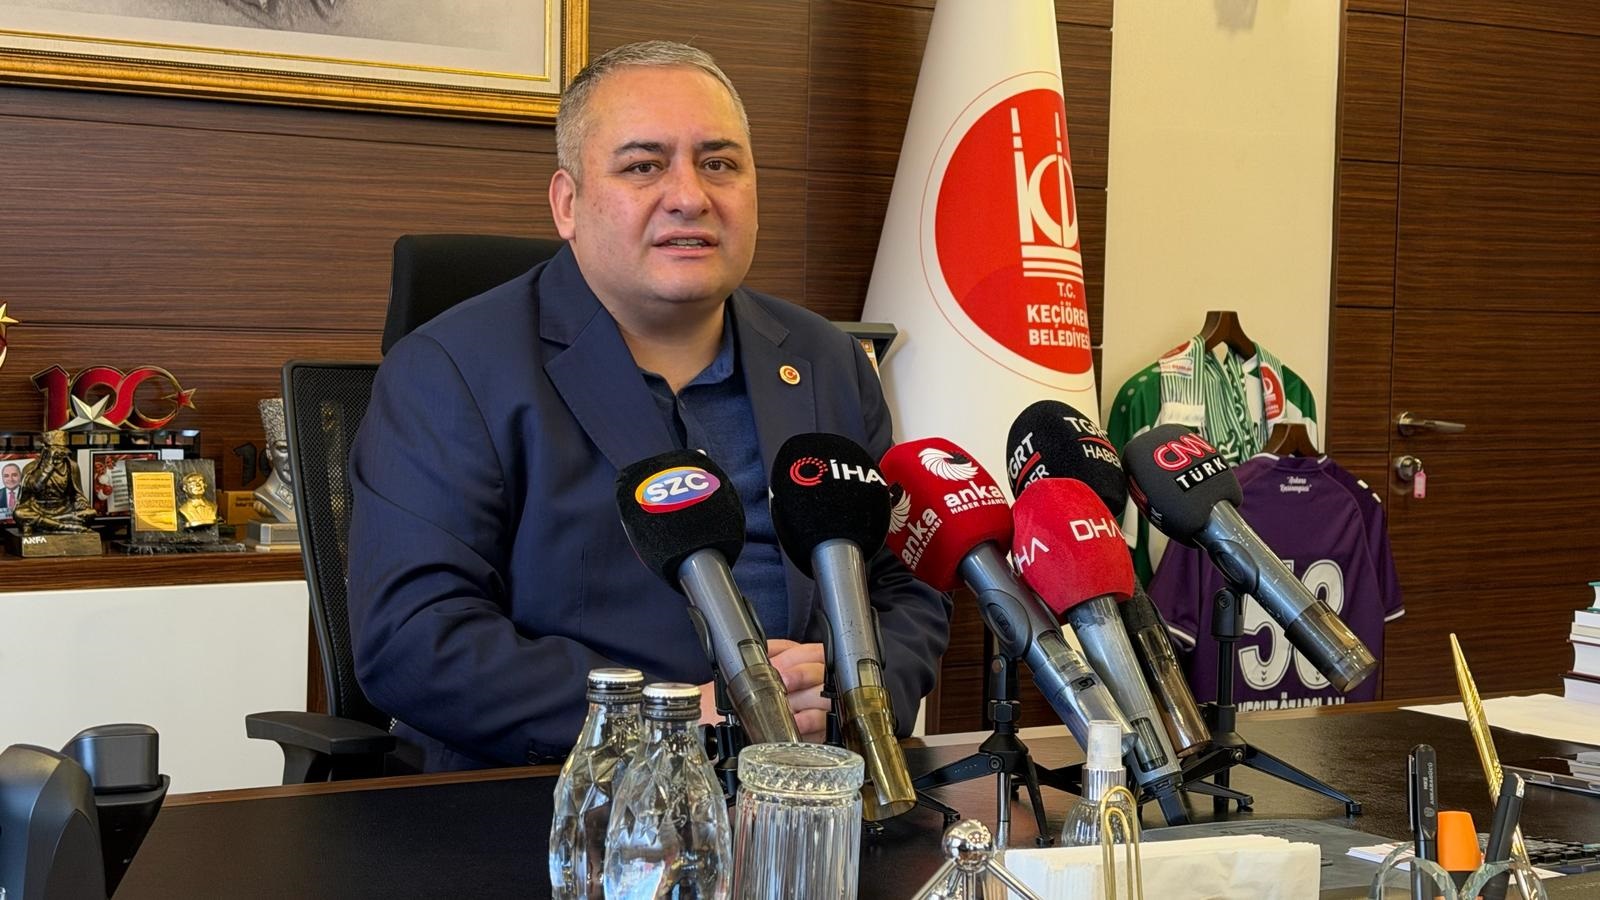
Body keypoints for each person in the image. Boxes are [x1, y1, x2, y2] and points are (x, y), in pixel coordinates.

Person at [347, 41, 951, 772]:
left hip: (811, 789)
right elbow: (414, 639)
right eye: (643, 166)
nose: (690, 196)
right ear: (567, 204)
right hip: (563, 795)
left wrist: (853, 685)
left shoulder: (827, 361)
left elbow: (903, 586)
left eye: (719, 163)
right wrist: (670, 717)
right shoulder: (451, 370)